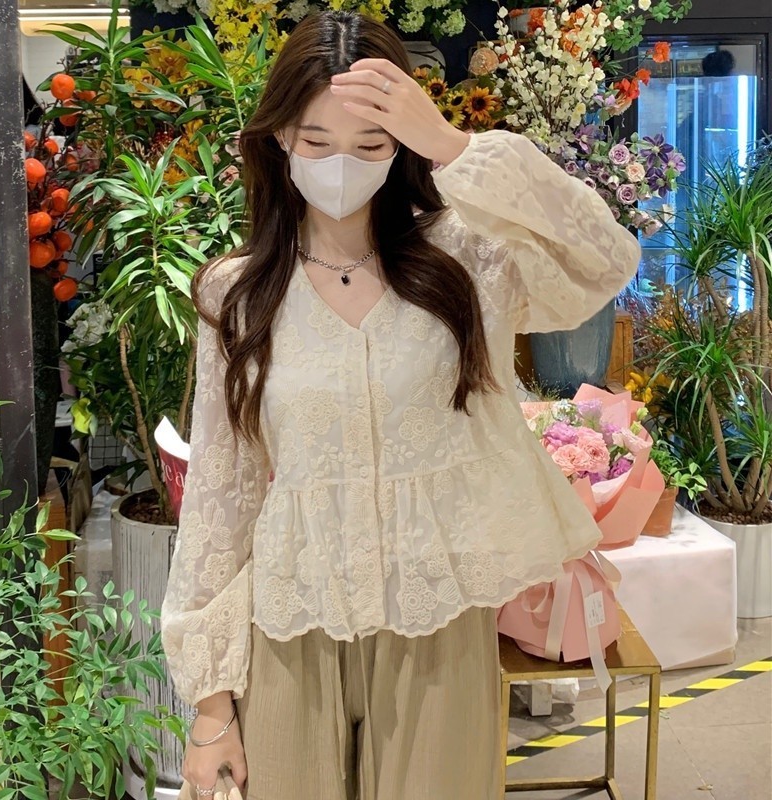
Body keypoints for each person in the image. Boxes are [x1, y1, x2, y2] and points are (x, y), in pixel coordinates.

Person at [160, 11, 641, 800]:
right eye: (316, 141)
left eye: (371, 144)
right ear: (279, 140)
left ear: (401, 146)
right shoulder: (237, 294)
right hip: (289, 621)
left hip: (438, 620)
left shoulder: (468, 259)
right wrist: (211, 710)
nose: (340, 164)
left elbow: (605, 260)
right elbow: (222, 493)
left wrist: (454, 144)